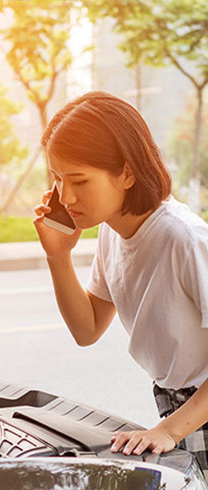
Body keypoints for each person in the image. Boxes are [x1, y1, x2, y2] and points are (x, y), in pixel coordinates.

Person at [33, 91, 208, 481]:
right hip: (181, 408)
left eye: (78, 179)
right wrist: (57, 256)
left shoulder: (183, 239)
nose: (65, 196)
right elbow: (88, 328)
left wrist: (169, 429)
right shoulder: (113, 233)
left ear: (127, 173)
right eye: (58, 179)